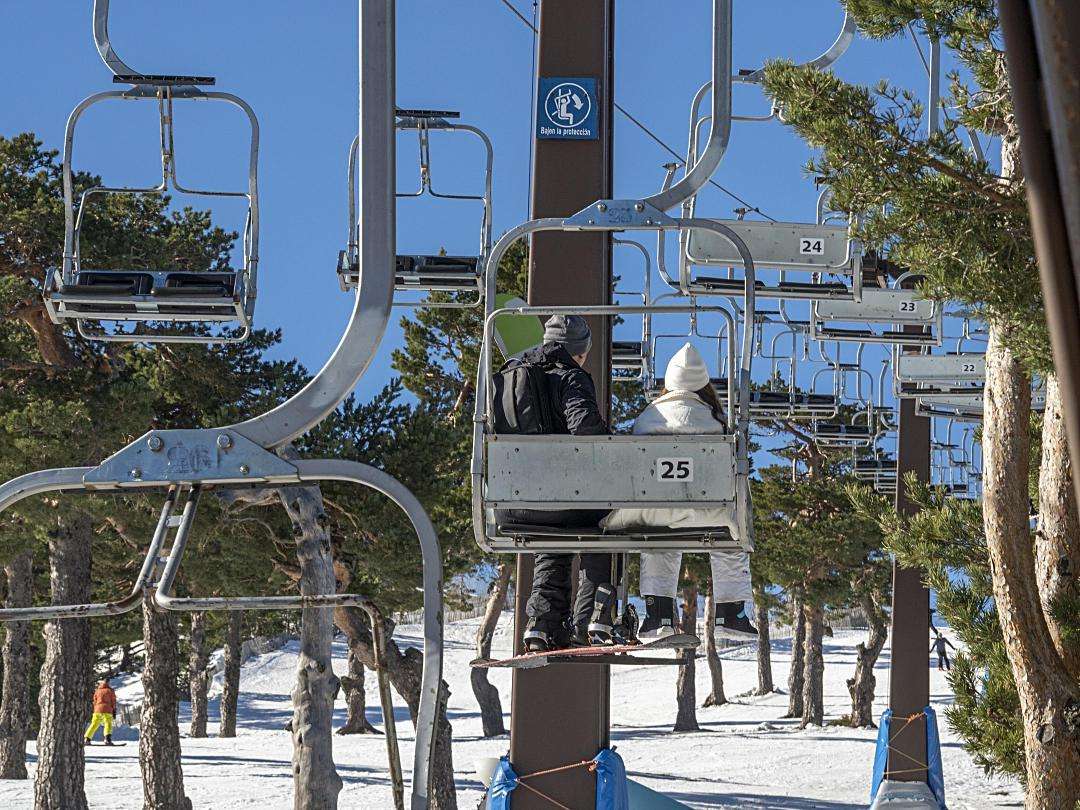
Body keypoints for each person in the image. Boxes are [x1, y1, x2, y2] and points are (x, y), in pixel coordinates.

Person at [602, 343, 758, 640]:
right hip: (707, 511)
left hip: (650, 510)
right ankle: (731, 613)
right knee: (730, 534)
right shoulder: (715, 424)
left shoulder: (648, 418)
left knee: (660, 537)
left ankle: (658, 614)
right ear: (703, 386)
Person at [495, 315, 616, 652]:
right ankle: (594, 619)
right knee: (605, 526)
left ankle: (541, 626)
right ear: (579, 350)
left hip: (513, 504)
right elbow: (585, 429)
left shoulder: (511, 373)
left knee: (553, 542)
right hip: (562, 499)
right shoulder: (571, 376)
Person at [85, 677, 117, 745]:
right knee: (108, 724)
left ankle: (87, 739)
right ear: (108, 683)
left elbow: (94, 701)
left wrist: (95, 708)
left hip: (97, 710)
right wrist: (114, 710)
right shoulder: (110, 690)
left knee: (94, 724)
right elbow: (113, 701)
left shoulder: (97, 691)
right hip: (107, 710)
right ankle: (107, 739)